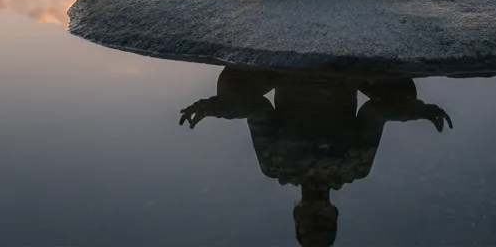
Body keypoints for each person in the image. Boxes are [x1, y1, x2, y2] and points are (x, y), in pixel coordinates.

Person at [179, 66, 452, 247]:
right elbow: (374, 114)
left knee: (231, 89)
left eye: (309, 224)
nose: (315, 217)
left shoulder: (276, 165)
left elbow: (259, 110)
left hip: (286, 69)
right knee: (404, 94)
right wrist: (417, 111)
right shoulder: (354, 167)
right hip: (346, 71)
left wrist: (215, 107)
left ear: (298, 215)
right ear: (334, 214)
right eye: (324, 224)